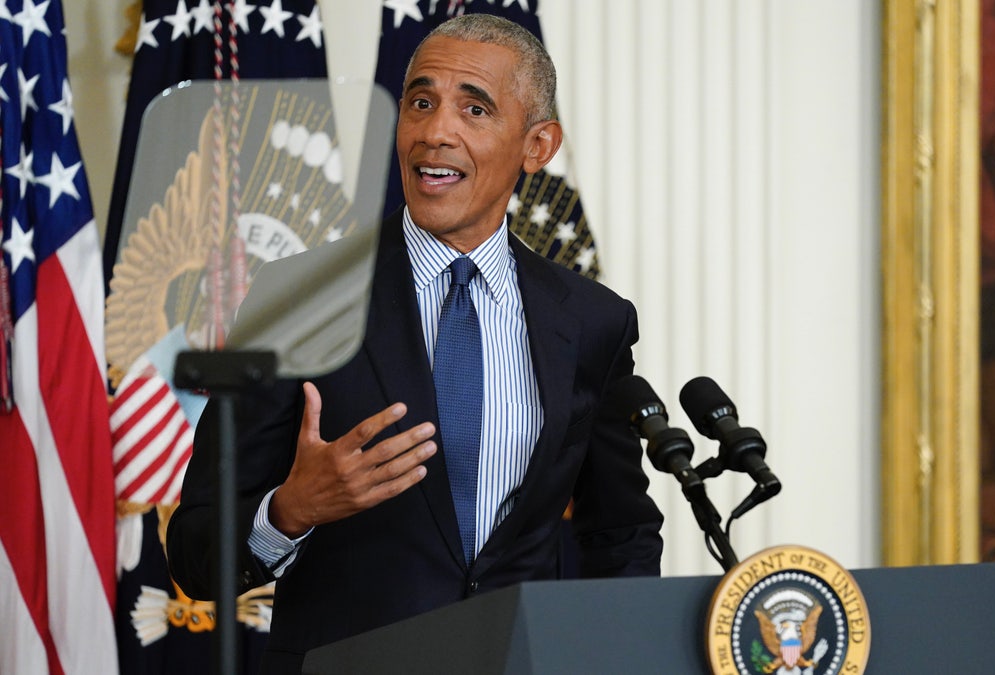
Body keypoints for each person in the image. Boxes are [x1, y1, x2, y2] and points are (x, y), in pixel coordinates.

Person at [166, 14, 664, 674]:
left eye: (474, 108)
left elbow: (619, 531)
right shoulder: (297, 298)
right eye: (420, 103)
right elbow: (195, 550)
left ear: (537, 144)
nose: (435, 132)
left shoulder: (591, 321)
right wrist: (290, 509)